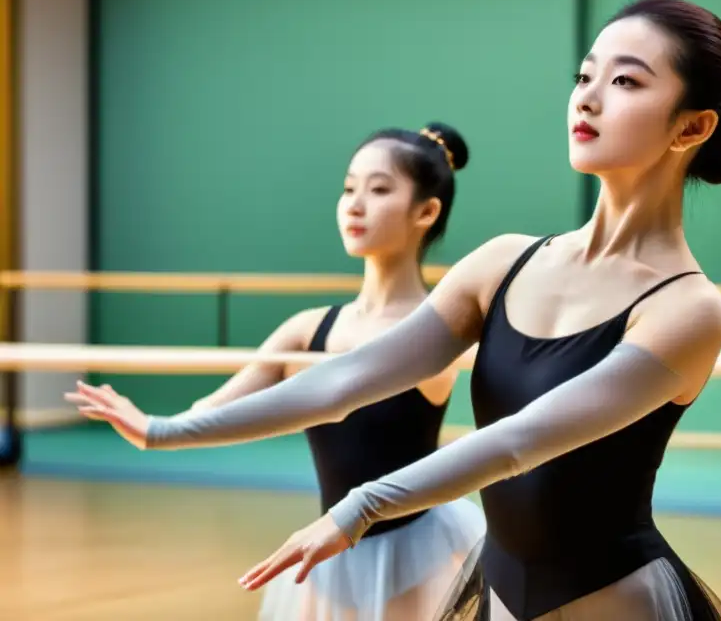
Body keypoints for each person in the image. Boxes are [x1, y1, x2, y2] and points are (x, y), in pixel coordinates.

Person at [69, 0, 721, 620]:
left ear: (691, 128)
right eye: (584, 75)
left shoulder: (689, 310)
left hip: (615, 599)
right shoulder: (504, 263)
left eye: (625, 81)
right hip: (501, 590)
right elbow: (343, 381)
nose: (587, 98)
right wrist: (165, 429)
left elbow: (517, 443)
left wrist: (359, 509)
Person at [70, 123, 486, 621]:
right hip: (330, 555)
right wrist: (157, 429)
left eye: (378, 190)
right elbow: (219, 408)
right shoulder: (306, 330)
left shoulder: (436, 329)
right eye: (349, 187)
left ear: (426, 211)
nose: (354, 204)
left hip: (420, 556)